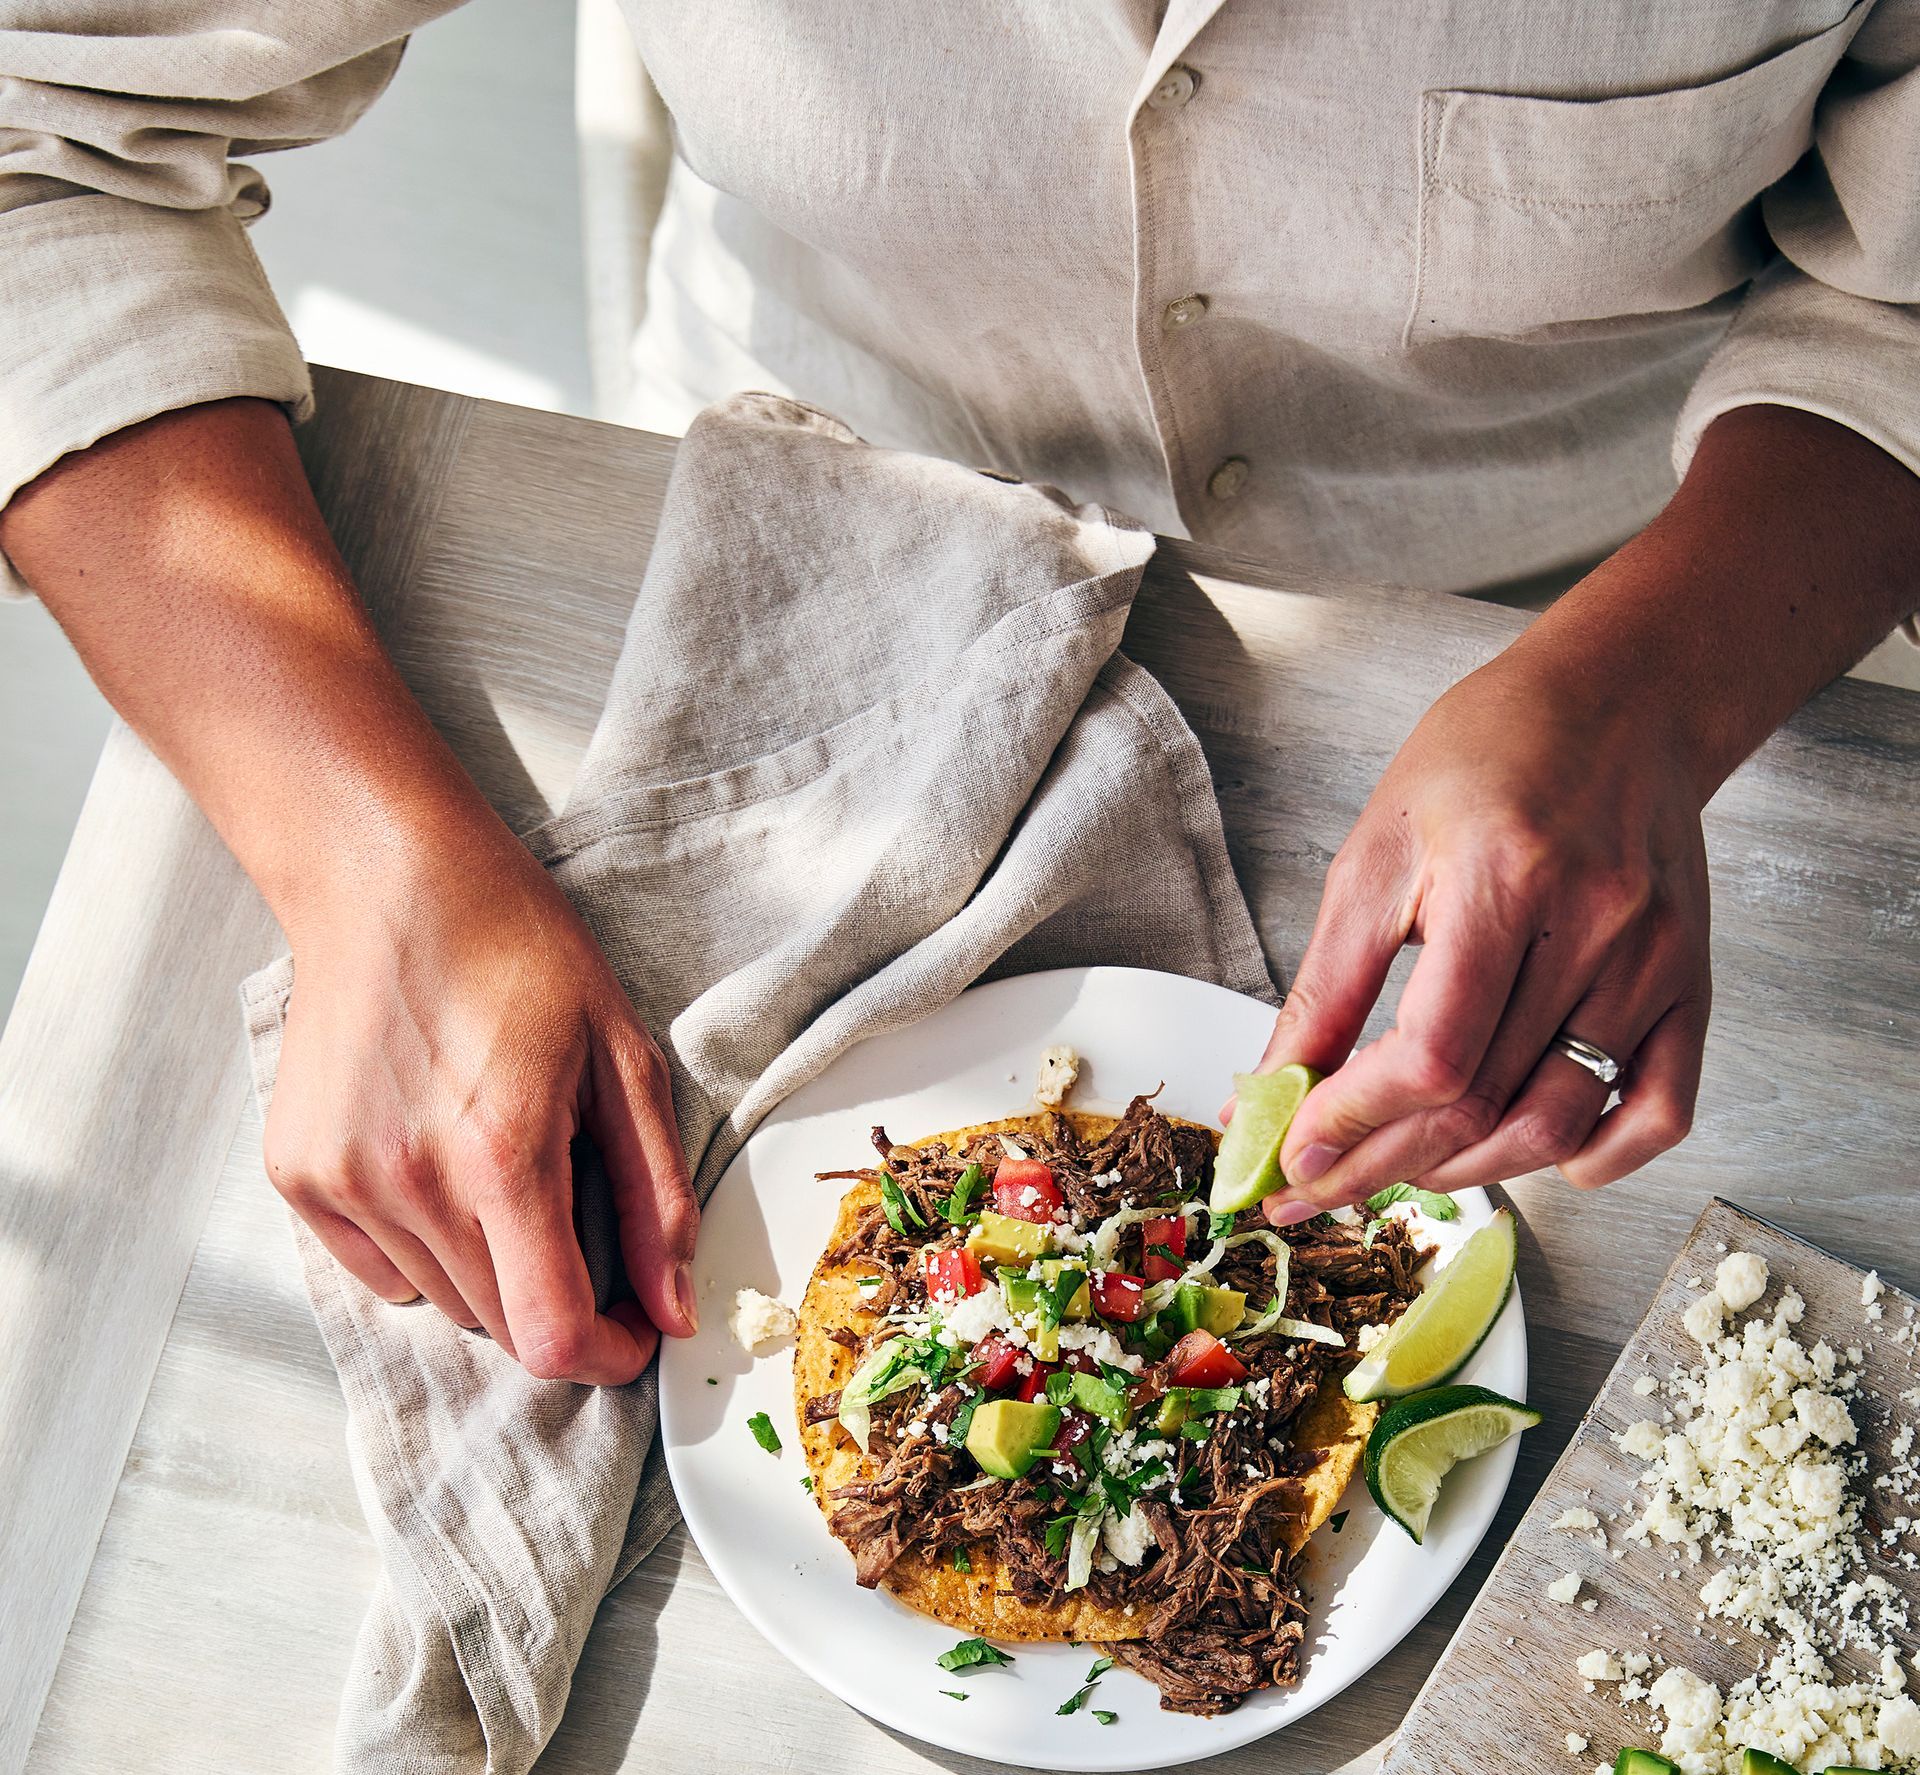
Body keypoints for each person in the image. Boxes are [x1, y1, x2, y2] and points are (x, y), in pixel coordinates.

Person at [3, 8, 1918, 1380]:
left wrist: (1652, 692)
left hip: (1631, 636)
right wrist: (365, 864)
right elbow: (37, 142)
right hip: (816, 565)